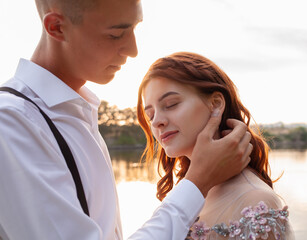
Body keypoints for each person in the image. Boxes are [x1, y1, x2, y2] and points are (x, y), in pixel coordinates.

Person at [0, 0, 253, 239]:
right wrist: (198, 181)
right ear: (57, 27)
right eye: (115, 34)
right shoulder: (12, 122)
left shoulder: (79, 112)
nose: (133, 50)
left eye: (134, 28)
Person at [137, 52, 295, 240]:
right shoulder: (186, 191)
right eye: (150, 115)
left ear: (216, 104)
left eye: (171, 104)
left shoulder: (255, 202)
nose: (156, 122)